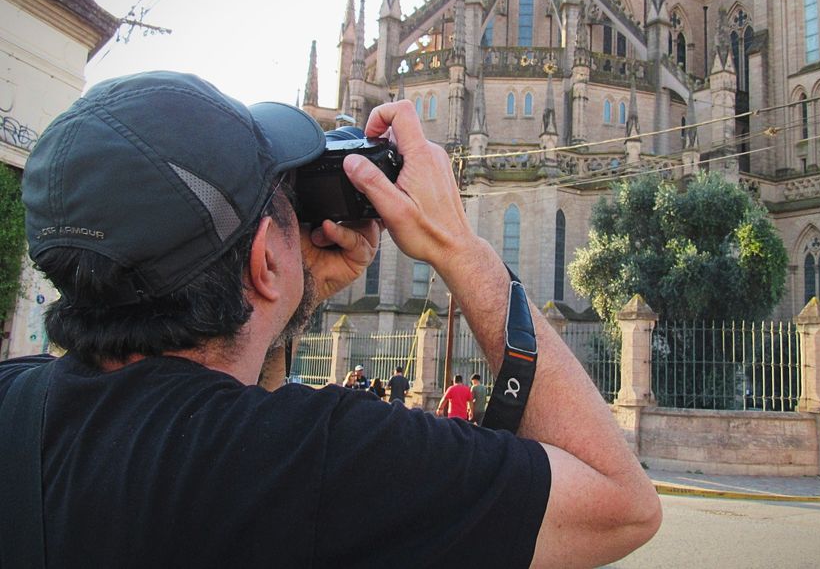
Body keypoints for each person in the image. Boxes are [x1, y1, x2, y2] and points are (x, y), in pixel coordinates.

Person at [0, 73, 661, 567]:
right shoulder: (319, 461)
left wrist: (293, 290)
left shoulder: (13, 400)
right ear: (265, 259)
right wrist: (462, 249)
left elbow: (221, 400)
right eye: (286, 206)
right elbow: (621, 505)